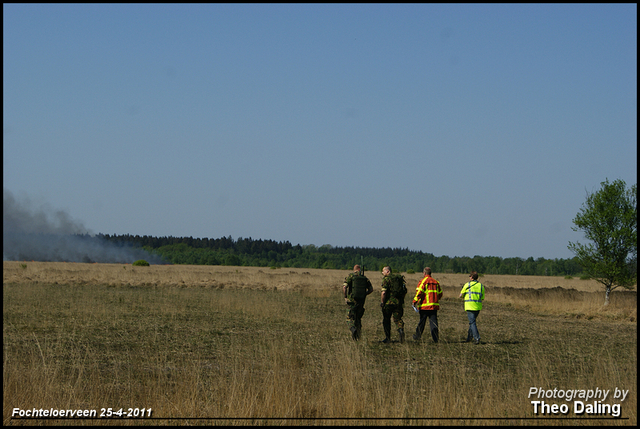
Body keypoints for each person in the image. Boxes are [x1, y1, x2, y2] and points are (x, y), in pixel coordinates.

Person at [412, 267, 443, 343]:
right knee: (434, 323)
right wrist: (436, 299)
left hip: (424, 306)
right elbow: (440, 293)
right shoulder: (436, 282)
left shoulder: (423, 281)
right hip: (434, 306)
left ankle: (417, 336)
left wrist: (414, 301)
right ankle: (435, 339)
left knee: (422, 322)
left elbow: (419, 292)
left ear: (424, 273)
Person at [343, 264, 373, 340]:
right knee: (358, 319)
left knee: (349, 318)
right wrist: (364, 294)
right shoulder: (364, 278)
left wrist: (345, 297)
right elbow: (371, 289)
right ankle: (358, 337)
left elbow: (344, 287)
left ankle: (353, 329)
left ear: (354, 270)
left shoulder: (351, 276)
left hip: (352, 301)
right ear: (360, 270)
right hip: (361, 301)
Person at [379, 266, 407, 343]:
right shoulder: (399, 279)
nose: (382, 273)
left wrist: (382, 302)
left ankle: (388, 338)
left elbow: (383, 292)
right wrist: (401, 300)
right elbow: (404, 291)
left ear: (387, 271)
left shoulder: (386, 279)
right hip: (398, 303)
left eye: (383, 271)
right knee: (398, 319)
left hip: (388, 303)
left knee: (386, 320)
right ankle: (400, 330)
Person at [459, 271, 485, 344]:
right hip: (478, 306)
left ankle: (477, 338)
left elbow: (460, 295)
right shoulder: (481, 286)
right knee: (472, 322)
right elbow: (482, 297)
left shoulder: (467, 285)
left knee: (472, 322)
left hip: (469, 306)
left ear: (471, 277)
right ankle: (469, 337)